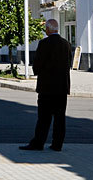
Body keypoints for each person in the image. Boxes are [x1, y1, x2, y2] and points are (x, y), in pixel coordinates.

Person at [20, 19, 72, 152]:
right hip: (62, 88)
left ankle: (38, 143)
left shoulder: (44, 43)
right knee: (60, 118)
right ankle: (57, 144)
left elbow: (37, 64)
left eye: (46, 29)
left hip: (47, 87)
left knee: (44, 118)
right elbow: (69, 63)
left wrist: (37, 71)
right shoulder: (66, 44)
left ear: (48, 29)